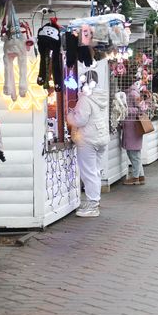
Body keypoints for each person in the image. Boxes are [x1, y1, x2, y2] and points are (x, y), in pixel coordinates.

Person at [67, 71, 108, 217]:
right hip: (101, 136)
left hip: (88, 139)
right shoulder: (101, 96)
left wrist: (70, 115)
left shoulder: (85, 98)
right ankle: (94, 201)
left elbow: (80, 120)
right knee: (95, 170)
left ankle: (92, 205)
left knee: (89, 172)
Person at [122, 82, 148, 185]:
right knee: (134, 153)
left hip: (133, 126)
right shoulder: (130, 93)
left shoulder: (133, 94)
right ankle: (140, 176)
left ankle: (135, 177)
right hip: (131, 126)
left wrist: (126, 110)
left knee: (133, 153)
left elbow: (142, 108)